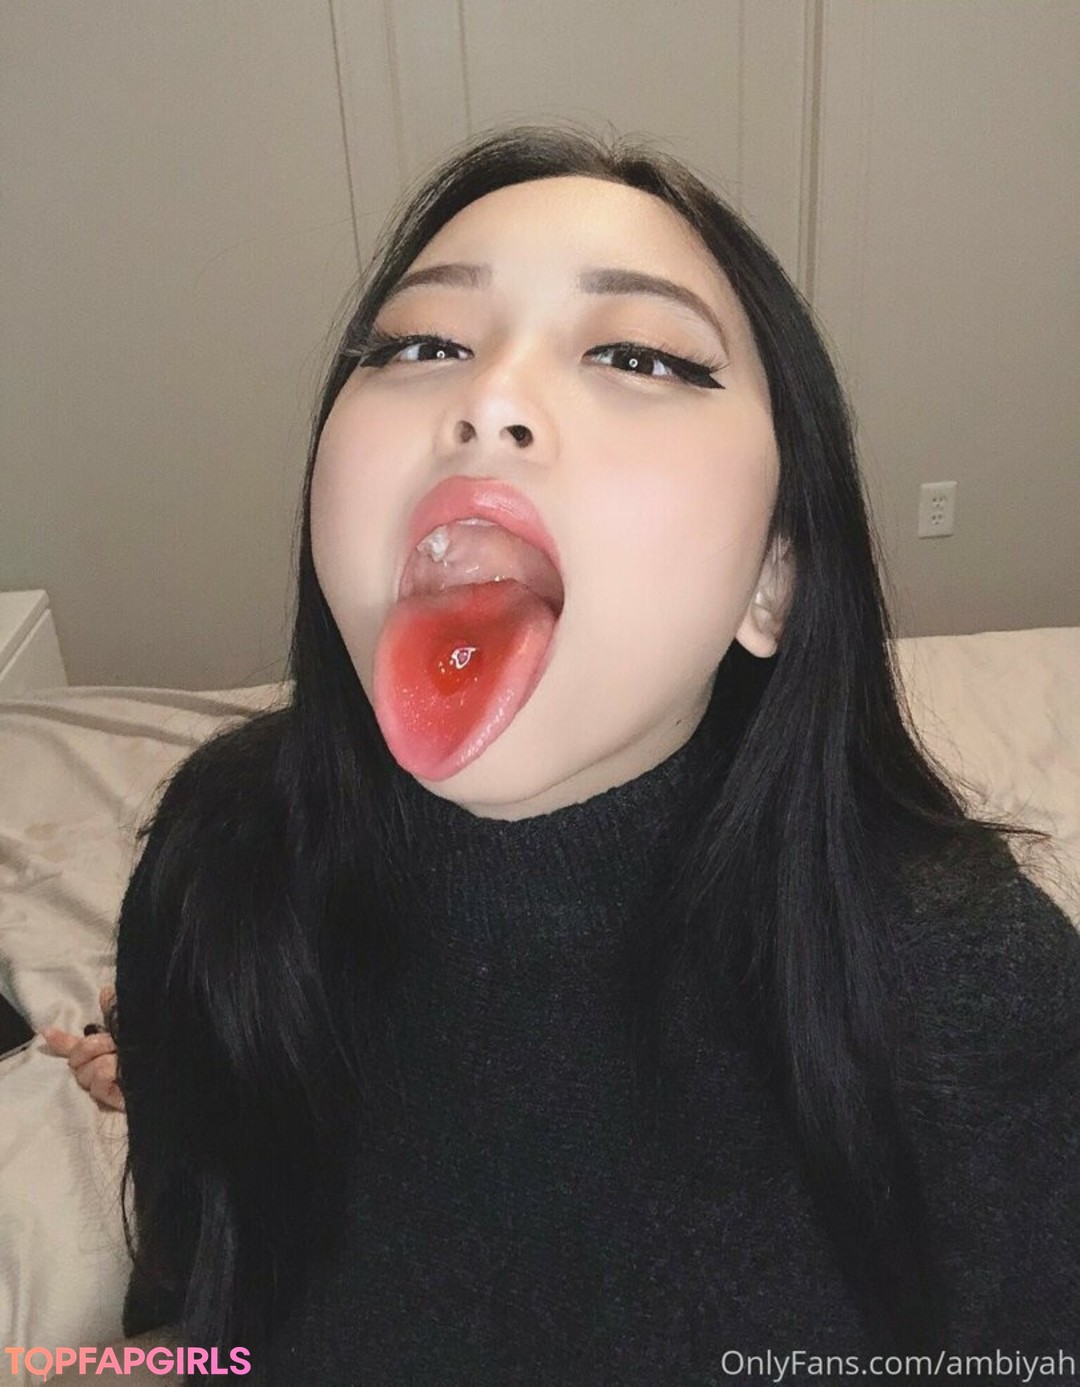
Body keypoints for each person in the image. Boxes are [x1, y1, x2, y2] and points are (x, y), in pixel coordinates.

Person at [65, 124, 1080, 1381]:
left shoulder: (978, 986)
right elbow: (202, 1320)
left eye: (639, 355)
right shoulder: (218, 872)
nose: (488, 401)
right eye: (421, 344)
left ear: (774, 580)